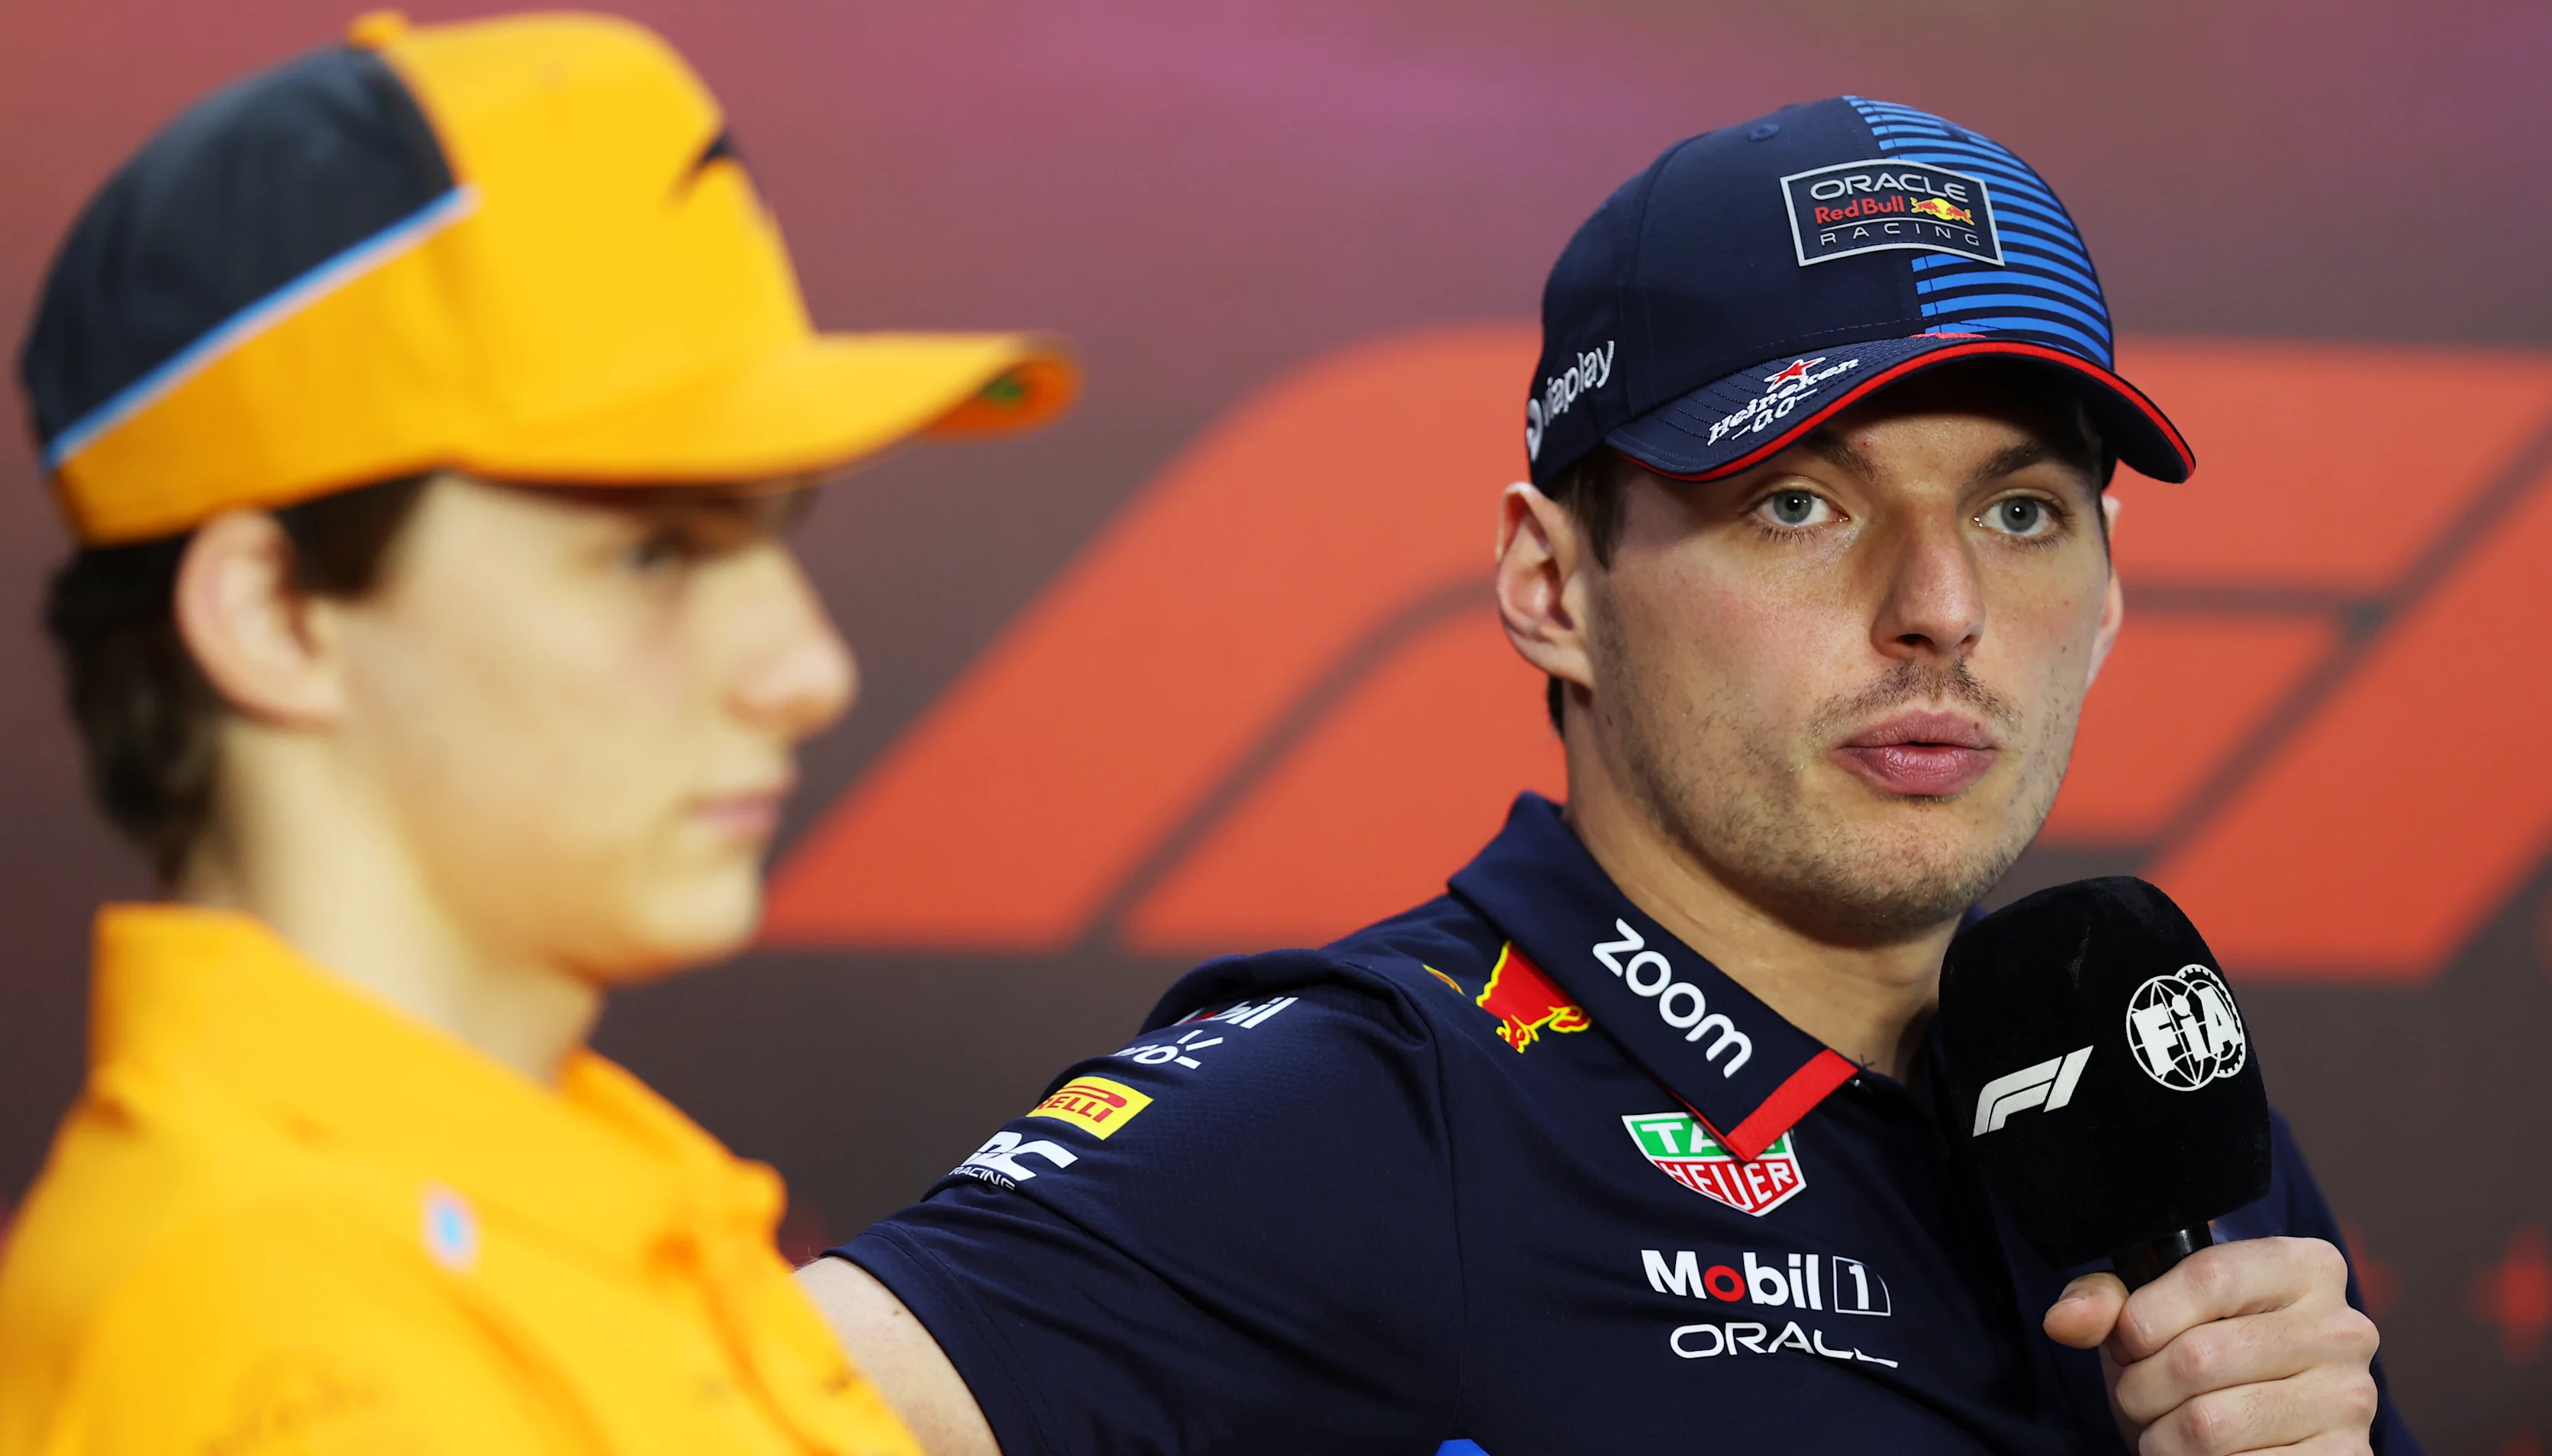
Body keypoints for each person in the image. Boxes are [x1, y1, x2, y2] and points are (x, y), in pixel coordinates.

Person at [798, 98, 2417, 1454]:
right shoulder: (1382, 1105)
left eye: (2019, 513)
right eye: (1797, 504)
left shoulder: (2164, 1118)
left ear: (2112, 591)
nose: (1942, 608)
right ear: (1552, 584)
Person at [0, 11, 1071, 1454]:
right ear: (275, 613)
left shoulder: (553, 1214)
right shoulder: (291, 1358)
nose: (809, 671)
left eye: (772, 534)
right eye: (653, 552)